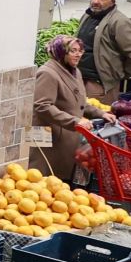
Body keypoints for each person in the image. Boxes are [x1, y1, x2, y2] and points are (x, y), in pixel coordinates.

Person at [34, 35, 107, 184]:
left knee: (60, 182)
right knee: (42, 179)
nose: (78, 54)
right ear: (60, 52)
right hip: (48, 135)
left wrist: (101, 113)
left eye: (80, 51)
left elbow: (80, 102)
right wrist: (75, 121)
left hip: (65, 136)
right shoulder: (47, 73)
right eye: (73, 51)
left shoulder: (75, 71)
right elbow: (42, 105)